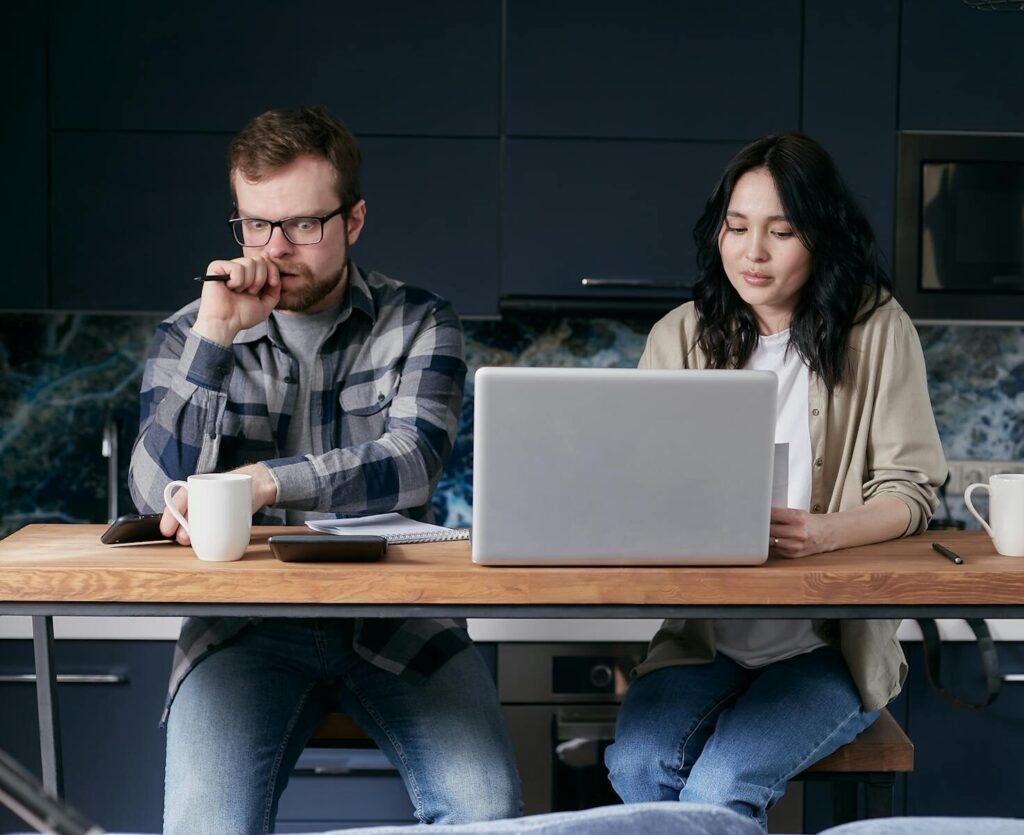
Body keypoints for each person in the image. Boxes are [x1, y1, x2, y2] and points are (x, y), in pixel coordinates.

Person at [129, 106, 521, 834]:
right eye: (256, 225)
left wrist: (264, 481)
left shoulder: (421, 321)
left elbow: (410, 464)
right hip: (243, 628)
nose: (276, 249)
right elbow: (156, 494)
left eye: (305, 225)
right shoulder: (191, 329)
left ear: (355, 220)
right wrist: (216, 336)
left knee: (487, 812)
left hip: (400, 617)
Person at [604, 133, 947, 829]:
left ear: (820, 236)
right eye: (736, 227)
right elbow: (634, 484)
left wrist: (823, 532)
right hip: (704, 639)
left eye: (781, 231)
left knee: (718, 787)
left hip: (828, 648)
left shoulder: (878, 329)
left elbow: (912, 491)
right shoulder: (679, 336)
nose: (752, 252)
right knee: (639, 765)